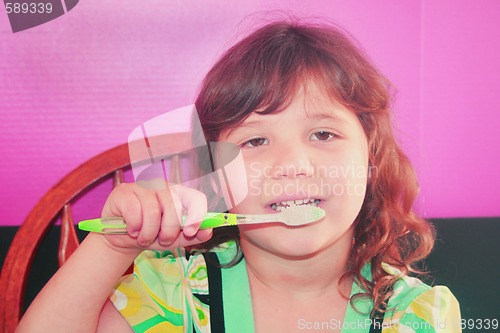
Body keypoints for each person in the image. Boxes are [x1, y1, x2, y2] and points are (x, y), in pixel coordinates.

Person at [16, 18, 461, 333]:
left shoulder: (414, 315)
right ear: (215, 176)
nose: (293, 164)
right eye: (255, 141)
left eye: (323, 133)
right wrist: (114, 246)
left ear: (371, 159)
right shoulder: (177, 297)